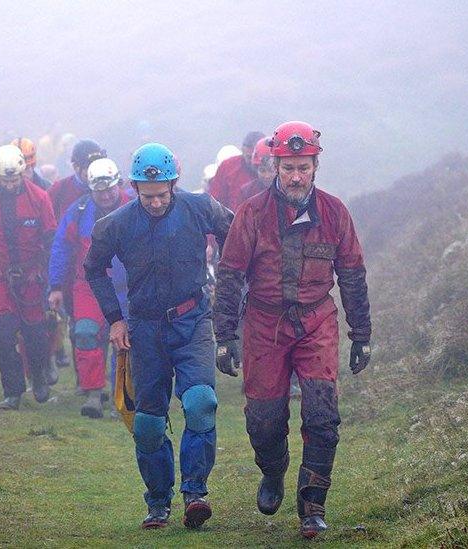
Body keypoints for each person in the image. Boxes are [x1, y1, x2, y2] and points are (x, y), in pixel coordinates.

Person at [213, 121, 372, 538]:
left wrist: (362, 335)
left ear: (315, 166)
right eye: (288, 168)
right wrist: (225, 336)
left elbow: (352, 275)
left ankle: (312, 504)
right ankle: (273, 469)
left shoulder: (336, 213)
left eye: (303, 167)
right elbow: (229, 275)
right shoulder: (251, 214)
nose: (296, 176)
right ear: (275, 167)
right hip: (263, 324)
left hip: (317, 321)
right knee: (263, 420)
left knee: (323, 415)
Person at [84, 143, 233, 530]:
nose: (154, 202)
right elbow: (94, 268)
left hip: (193, 320)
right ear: (133, 188)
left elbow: (237, 237)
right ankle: (158, 500)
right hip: (144, 329)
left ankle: (196, 492)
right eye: (146, 196)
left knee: (200, 402)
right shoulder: (116, 224)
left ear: (174, 184)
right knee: (148, 423)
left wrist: (231, 289)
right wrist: (115, 319)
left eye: (161, 195)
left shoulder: (201, 208)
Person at [48, 158, 130, 418]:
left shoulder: (135, 207)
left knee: (127, 341)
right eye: (100, 191)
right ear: (91, 189)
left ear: (118, 184)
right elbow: (61, 247)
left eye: (110, 189)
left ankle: (124, 395)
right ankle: (94, 393)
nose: (105, 195)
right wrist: (56, 286)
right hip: (89, 285)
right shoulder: (78, 211)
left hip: (128, 286)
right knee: (84, 333)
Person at [0, 144, 57, 410]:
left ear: (23, 173)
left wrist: (48, 276)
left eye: (15, 179)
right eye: (6, 179)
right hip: (1, 278)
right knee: (3, 335)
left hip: (32, 278)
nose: (11, 184)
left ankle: (39, 376)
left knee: (35, 334)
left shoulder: (39, 198)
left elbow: (50, 238)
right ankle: (12, 392)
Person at [208, 131, 264, 212]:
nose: (253, 162)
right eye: (249, 157)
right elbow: (214, 199)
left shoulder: (275, 169)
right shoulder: (228, 167)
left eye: (256, 158)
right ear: (243, 151)